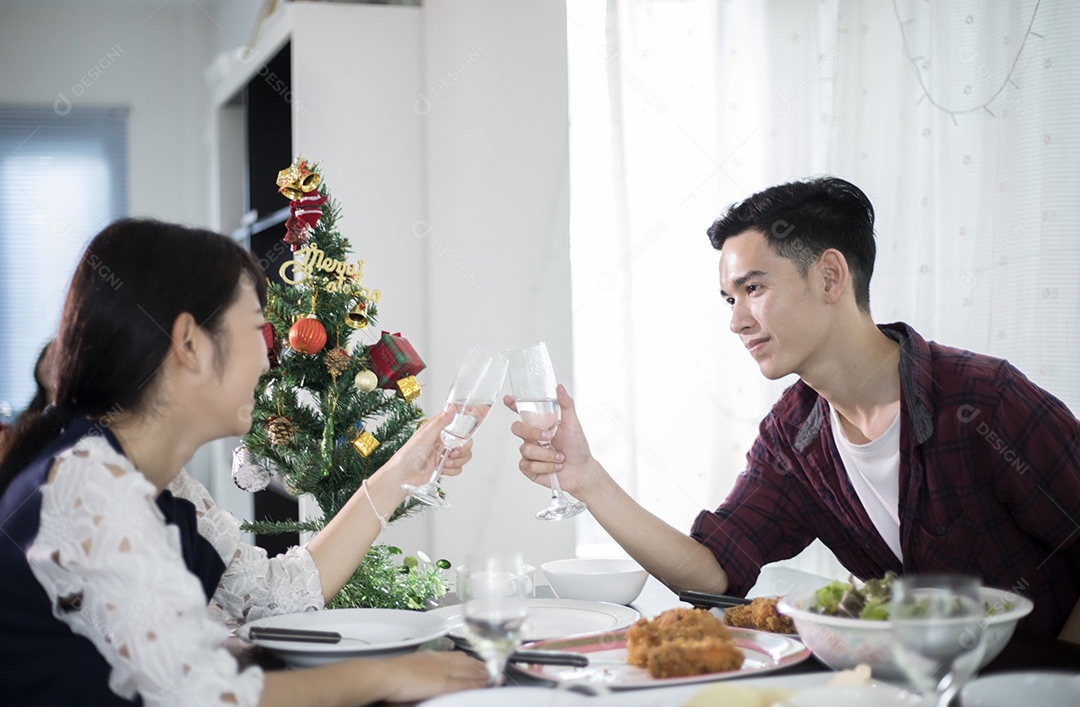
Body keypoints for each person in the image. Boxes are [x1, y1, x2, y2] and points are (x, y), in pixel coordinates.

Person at [509, 176, 1080, 640]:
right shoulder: (794, 435)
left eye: (754, 289)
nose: (736, 320)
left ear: (830, 276)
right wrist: (587, 481)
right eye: (730, 299)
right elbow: (715, 570)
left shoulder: (982, 400)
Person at [0, 219, 488, 706]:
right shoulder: (90, 489)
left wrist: (402, 474)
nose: (268, 356)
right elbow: (203, 697)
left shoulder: (157, 484)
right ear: (190, 343)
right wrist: (386, 677)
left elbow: (274, 597)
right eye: (258, 327)